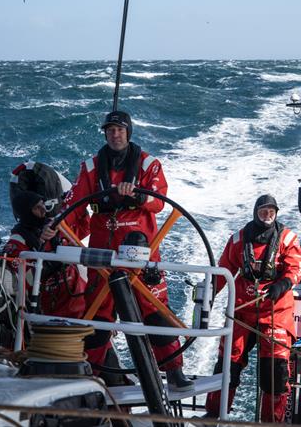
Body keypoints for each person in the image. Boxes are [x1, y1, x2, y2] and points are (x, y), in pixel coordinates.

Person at [64, 110, 192, 390]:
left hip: (141, 254)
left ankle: (173, 372)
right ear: (105, 134)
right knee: (97, 317)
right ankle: (92, 374)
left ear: (129, 132)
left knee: (156, 313)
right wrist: (55, 227)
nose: (115, 134)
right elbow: (73, 205)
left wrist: (136, 194)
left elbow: (160, 201)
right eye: (110, 130)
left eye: (120, 129)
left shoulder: (149, 164)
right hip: (103, 254)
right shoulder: (90, 168)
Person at [204, 194, 301, 422]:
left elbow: (296, 269)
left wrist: (283, 284)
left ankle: (271, 422)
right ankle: (213, 416)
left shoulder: (288, 239)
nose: (267, 216)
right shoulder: (239, 240)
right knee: (228, 364)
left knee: (275, 372)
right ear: (255, 213)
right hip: (242, 312)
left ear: (276, 213)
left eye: (271, 212)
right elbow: (224, 271)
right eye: (263, 212)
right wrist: (208, 295)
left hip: (276, 314)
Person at [2, 191, 86, 319]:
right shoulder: (17, 243)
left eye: (43, 205)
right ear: (26, 212)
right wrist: (48, 264)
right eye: (37, 207)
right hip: (49, 304)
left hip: (77, 294)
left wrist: (77, 207)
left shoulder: (55, 227)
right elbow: (21, 281)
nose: (43, 210)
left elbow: (84, 228)